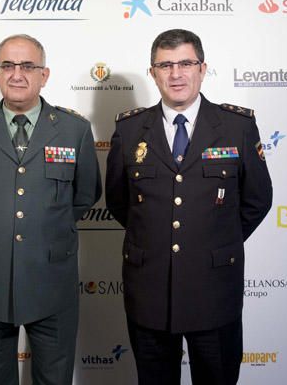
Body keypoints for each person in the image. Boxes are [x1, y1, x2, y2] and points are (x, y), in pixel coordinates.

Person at [105, 29, 273, 385]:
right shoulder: (130, 129)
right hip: (149, 291)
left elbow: (257, 199)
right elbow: (120, 202)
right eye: (165, 65)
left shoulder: (236, 126)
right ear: (152, 72)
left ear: (203, 68)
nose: (176, 73)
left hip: (214, 290)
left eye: (185, 63)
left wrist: (215, 240)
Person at [0, 34, 101, 385]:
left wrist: (42, 228)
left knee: (54, 378)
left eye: (28, 66)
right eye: (8, 66)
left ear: (44, 75)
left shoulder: (74, 130)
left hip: (52, 279)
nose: (17, 74)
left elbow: (85, 195)